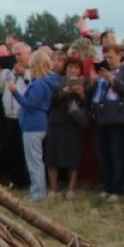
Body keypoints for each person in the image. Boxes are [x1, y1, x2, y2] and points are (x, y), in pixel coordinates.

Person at [89, 44, 124, 200]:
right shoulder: (103, 74)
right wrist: (92, 82)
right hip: (101, 117)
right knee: (103, 154)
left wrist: (112, 80)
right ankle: (108, 186)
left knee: (116, 154)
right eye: (106, 57)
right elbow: (91, 94)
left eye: (111, 57)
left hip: (118, 118)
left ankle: (117, 188)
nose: (108, 60)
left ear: (120, 55)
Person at [10, 49, 59, 202]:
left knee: (34, 161)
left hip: (34, 125)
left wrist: (15, 92)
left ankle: (38, 193)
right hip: (35, 124)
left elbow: (30, 105)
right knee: (35, 160)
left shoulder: (39, 84)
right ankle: (37, 190)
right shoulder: (43, 83)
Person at [45, 56, 87, 199]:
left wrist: (81, 95)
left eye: (76, 68)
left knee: (73, 157)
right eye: (70, 67)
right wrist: (64, 93)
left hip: (74, 123)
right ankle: (54, 188)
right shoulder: (57, 80)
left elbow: (89, 104)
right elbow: (50, 101)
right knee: (52, 156)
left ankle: (71, 188)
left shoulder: (85, 82)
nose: (73, 70)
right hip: (56, 121)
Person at [0, 43, 31, 187]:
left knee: (25, 151)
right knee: (12, 150)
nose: (16, 58)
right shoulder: (8, 71)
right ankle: (16, 180)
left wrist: (24, 74)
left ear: (28, 55)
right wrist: (2, 72)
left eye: (19, 54)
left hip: (24, 115)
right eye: (14, 55)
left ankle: (28, 180)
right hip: (9, 117)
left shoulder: (32, 70)